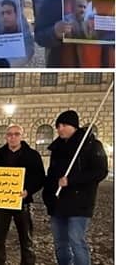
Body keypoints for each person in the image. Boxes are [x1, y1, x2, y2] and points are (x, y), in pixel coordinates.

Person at [43, 110, 108, 265]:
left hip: (80, 203)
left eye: (63, 125)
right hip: (58, 204)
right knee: (60, 244)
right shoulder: (57, 148)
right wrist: (48, 196)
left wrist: (71, 180)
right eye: (58, 125)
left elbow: (100, 171)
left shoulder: (91, 145)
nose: (59, 129)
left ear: (73, 126)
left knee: (76, 241)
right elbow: (51, 175)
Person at [0, 124, 45, 265]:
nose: (13, 137)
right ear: (6, 137)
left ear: (22, 136)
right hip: (2, 202)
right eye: (10, 134)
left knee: (26, 238)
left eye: (16, 134)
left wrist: (28, 190)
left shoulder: (32, 155)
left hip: (23, 202)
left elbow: (40, 177)